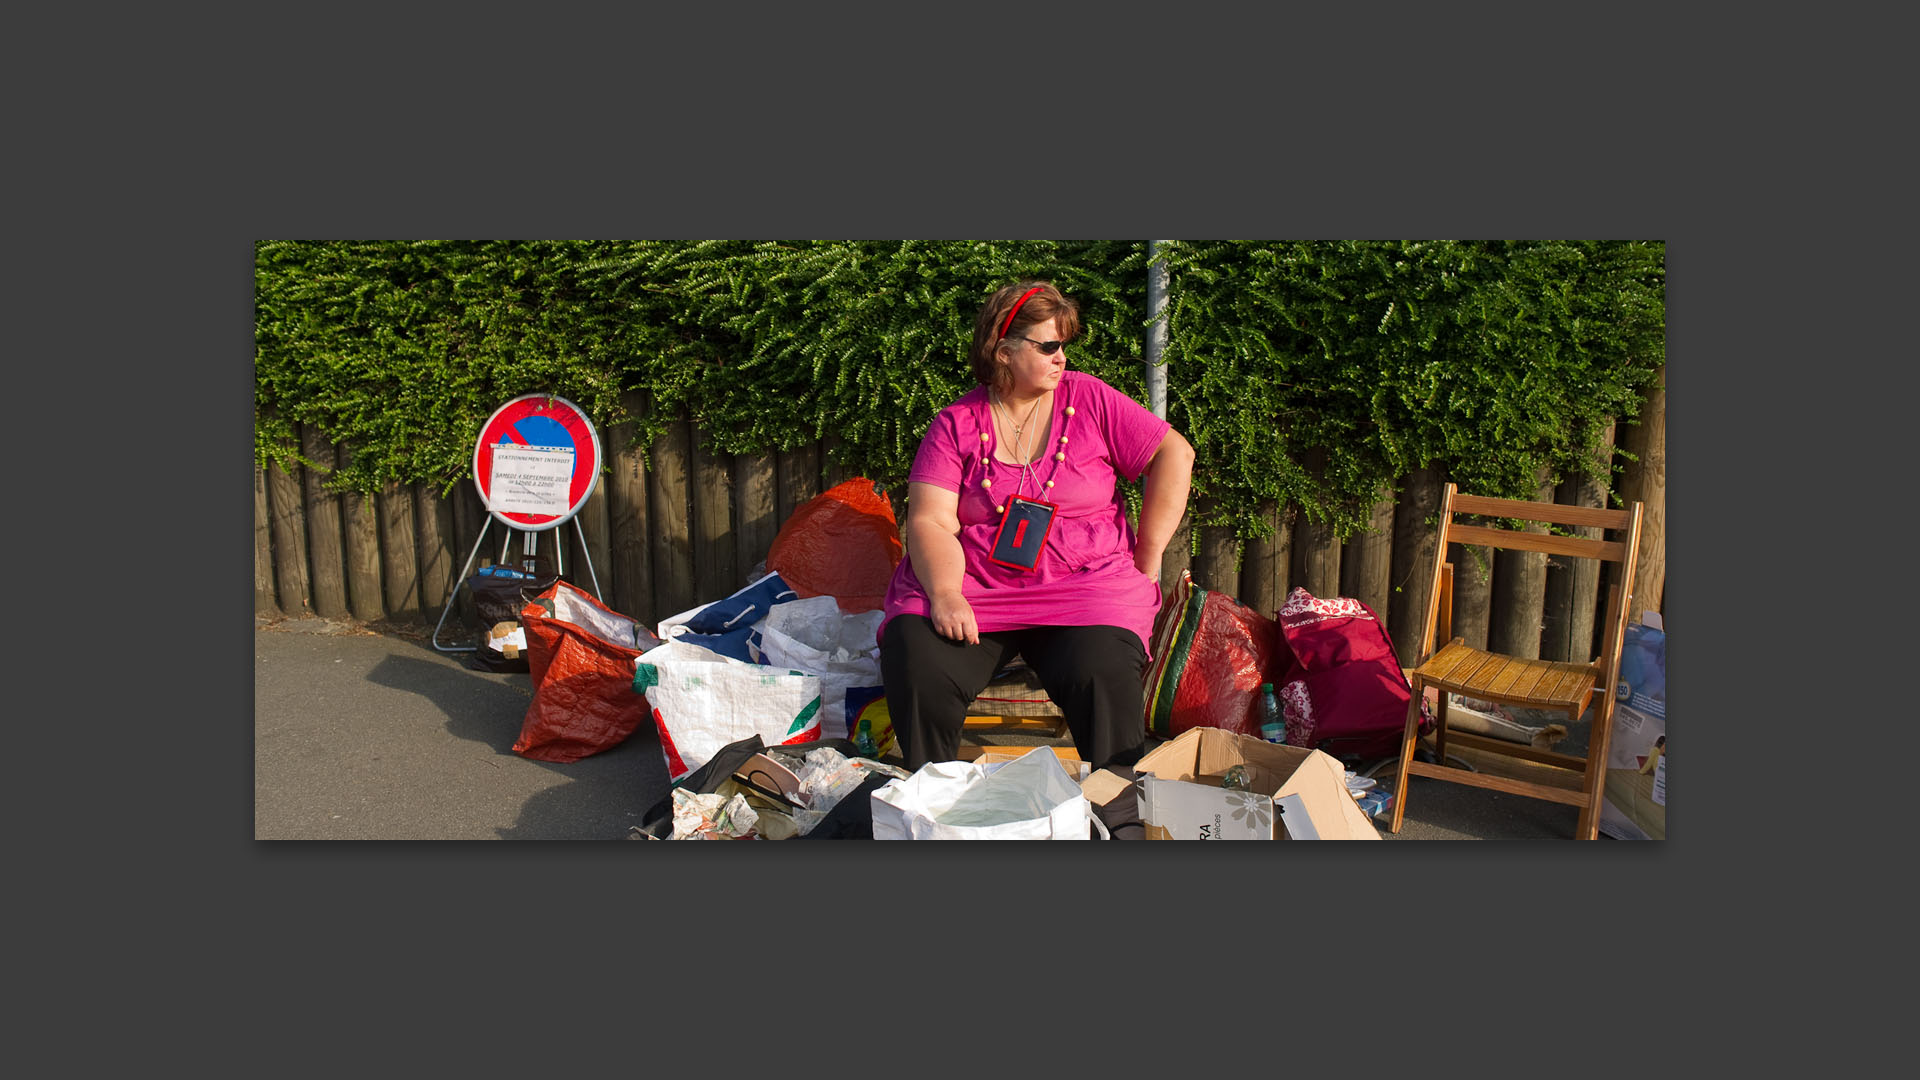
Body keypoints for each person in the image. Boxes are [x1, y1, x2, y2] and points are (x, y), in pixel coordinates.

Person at [878, 280, 1195, 771]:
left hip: (1084, 586)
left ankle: (1118, 809)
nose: (1060, 357)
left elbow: (1174, 452)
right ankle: (934, 799)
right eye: (1048, 345)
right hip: (976, 588)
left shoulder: (1087, 397)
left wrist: (1148, 555)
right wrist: (945, 594)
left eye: (1064, 345)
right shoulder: (956, 422)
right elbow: (930, 520)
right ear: (1003, 351)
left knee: (1103, 666)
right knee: (916, 650)